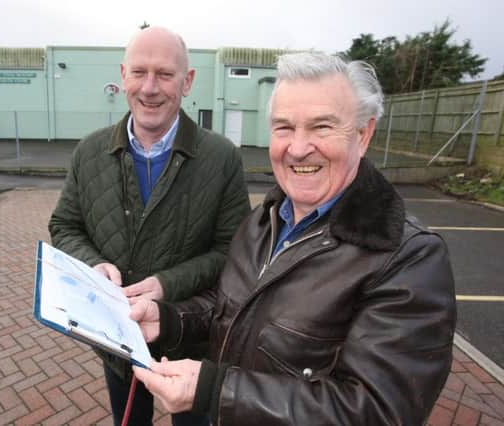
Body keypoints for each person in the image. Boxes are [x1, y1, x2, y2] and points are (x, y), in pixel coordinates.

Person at [130, 52, 457, 425]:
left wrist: (214, 390)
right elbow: (235, 311)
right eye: (284, 128)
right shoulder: (263, 220)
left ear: (363, 135)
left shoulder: (408, 259)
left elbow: (377, 412)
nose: (298, 148)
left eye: (321, 127)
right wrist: (170, 320)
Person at [48, 26, 251, 426]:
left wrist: (166, 285)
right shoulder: (89, 152)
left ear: (187, 81)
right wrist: (93, 264)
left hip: (189, 339)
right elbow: (65, 225)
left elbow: (234, 250)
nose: (150, 88)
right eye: (139, 72)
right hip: (117, 339)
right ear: (123, 75)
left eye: (165, 74)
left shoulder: (222, 158)